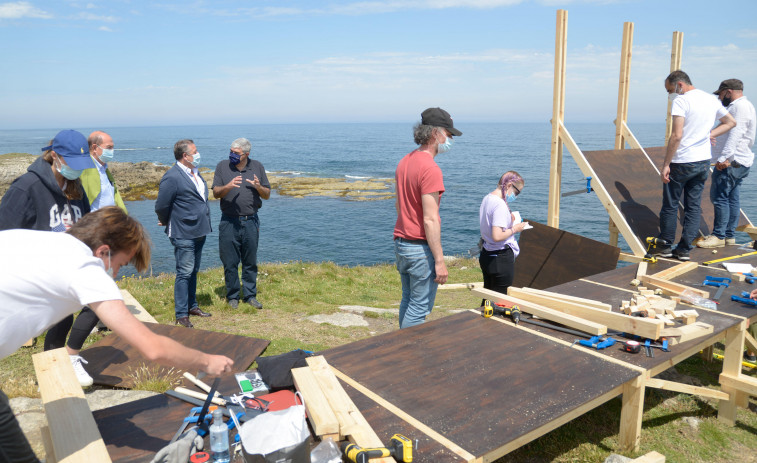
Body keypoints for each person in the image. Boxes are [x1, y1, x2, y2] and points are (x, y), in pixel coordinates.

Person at [0, 206, 234, 463]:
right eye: (120, 264)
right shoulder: (84, 267)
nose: (116, 273)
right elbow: (152, 347)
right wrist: (207, 361)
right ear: (103, 251)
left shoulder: (44, 240)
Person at [0, 129, 96, 384]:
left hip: (65, 268)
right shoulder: (26, 187)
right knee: (51, 320)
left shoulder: (75, 186)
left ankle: (61, 365)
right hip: (36, 271)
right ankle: (55, 373)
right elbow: (5, 233)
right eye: (73, 164)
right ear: (55, 156)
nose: (77, 170)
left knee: (71, 315)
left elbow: (84, 222)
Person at [60, 131, 130, 386]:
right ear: (95, 148)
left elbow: (113, 197)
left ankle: (66, 355)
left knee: (96, 296)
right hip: (92, 239)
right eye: (109, 146)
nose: (113, 149)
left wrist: (124, 224)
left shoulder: (105, 168)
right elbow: (81, 203)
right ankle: (69, 356)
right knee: (95, 297)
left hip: (106, 236)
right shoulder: (87, 169)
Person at [655, 70, 736, 261]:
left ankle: (665, 245)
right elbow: (730, 122)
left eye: (670, 90)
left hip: (682, 161)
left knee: (670, 205)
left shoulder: (682, 101)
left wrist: (666, 164)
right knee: (693, 206)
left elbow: (676, 136)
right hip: (703, 161)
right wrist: (710, 134)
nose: (670, 94)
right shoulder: (711, 99)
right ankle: (684, 250)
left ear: (680, 85)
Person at [393, 107, 461, 329]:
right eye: (448, 135)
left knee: (408, 300)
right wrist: (440, 261)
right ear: (435, 134)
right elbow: (430, 219)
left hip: (402, 243)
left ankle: (401, 348)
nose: (450, 140)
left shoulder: (405, 161)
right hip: (420, 249)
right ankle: (409, 355)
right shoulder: (430, 169)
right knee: (420, 307)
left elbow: (399, 204)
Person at [155, 139, 213, 328]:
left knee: (193, 270)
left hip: (199, 229)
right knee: (184, 272)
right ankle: (181, 313)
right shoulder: (172, 176)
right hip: (183, 231)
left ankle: (192, 306)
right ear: (185, 156)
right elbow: (162, 204)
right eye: (194, 152)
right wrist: (164, 219)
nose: (198, 154)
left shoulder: (195, 173)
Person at [212, 138, 271, 309]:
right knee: (229, 261)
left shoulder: (257, 167)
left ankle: (250, 295)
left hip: (251, 221)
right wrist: (228, 186)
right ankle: (233, 296)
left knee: (250, 261)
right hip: (229, 221)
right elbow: (216, 193)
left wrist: (259, 187)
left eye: (236, 153)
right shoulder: (222, 166)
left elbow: (266, 194)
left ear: (246, 154)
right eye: (231, 151)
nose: (232, 155)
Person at [697, 79, 756, 249]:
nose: (719, 98)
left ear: (729, 92)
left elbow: (736, 134)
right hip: (738, 160)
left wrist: (724, 158)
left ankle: (719, 236)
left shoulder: (739, 107)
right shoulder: (743, 106)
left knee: (720, 198)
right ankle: (728, 236)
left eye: (721, 94)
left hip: (730, 161)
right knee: (732, 198)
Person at [478, 171, 528, 303]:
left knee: (488, 297)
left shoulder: (487, 198)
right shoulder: (500, 204)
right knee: (500, 300)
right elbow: (497, 235)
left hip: (487, 254)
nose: (516, 196)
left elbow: (489, 225)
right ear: (509, 185)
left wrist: (509, 220)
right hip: (500, 257)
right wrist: (515, 228)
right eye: (517, 192)